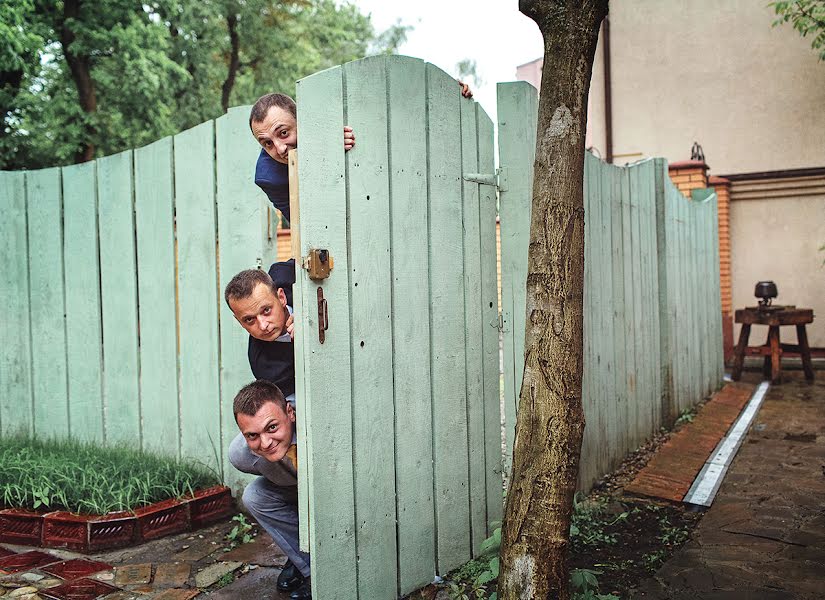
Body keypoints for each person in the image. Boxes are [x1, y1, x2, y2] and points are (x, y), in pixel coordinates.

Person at [249, 82, 473, 223]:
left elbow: (390, 102)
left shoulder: (332, 114)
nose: (279, 148)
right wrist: (324, 154)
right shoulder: (268, 177)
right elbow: (303, 223)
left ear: (304, 121)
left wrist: (441, 89)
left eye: (284, 133)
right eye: (267, 143)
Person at [229, 379, 310, 599]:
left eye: (272, 427)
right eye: (252, 435)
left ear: (290, 412)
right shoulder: (242, 455)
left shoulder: (314, 418)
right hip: (297, 484)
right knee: (255, 496)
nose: (265, 443)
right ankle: (307, 565)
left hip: (335, 482)